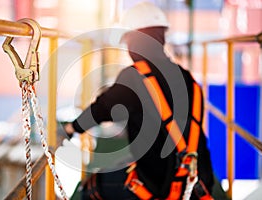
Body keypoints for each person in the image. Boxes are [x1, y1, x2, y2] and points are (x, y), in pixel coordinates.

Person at [63, 2, 214, 199]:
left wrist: (71, 128)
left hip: (160, 186)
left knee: (90, 189)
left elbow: (101, 110)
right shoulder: (188, 78)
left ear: (132, 41)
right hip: (199, 184)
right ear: (161, 37)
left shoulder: (134, 77)